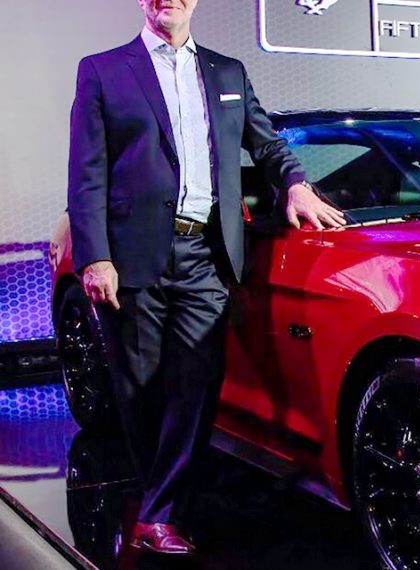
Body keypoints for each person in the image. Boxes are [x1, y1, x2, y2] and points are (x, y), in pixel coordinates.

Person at [67, 0, 345, 555]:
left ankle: (157, 515)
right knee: (140, 391)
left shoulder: (227, 72)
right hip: (132, 254)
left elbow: (267, 143)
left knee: (196, 387)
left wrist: (295, 183)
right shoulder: (102, 70)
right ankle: (160, 507)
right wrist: (95, 256)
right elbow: (87, 170)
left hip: (206, 255)